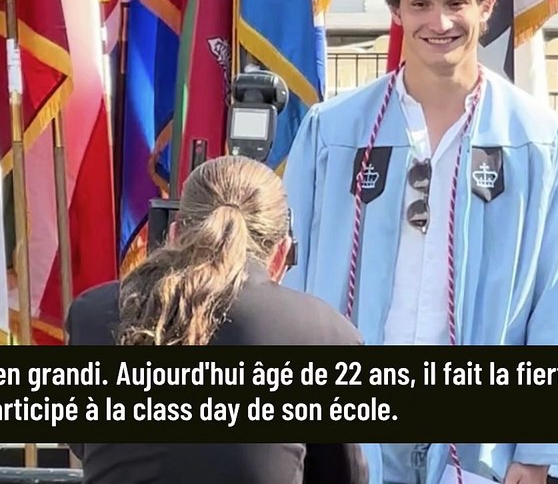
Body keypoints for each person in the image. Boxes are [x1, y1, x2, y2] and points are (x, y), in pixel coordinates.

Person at [281, 0, 558, 484]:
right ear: (397, 13)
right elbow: (293, 280)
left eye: (456, 2)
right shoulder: (334, 133)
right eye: (419, 2)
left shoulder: (539, 140)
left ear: (487, 5)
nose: (439, 21)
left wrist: (538, 448)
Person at [66, 155, 368, 484]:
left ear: (176, 231)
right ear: (281, 254)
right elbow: (340, 475)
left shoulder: (93, 313)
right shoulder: (323, 334)